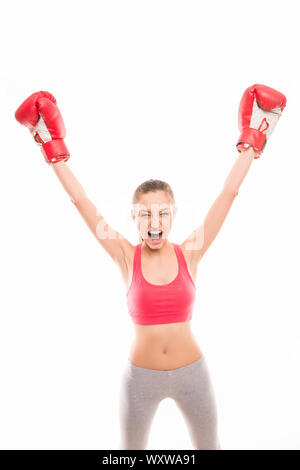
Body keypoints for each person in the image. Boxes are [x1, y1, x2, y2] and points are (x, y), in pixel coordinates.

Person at [15, 84, 286, 450]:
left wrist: (254, 138)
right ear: (134, 218)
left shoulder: (191, 250)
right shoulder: (125, 255)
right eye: (144, 214)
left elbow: (228, 194)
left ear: (172, 216)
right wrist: (51, 149)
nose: (153, 221)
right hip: (140, 379)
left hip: (194, 374)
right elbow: (81, 199)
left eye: (162, 213)